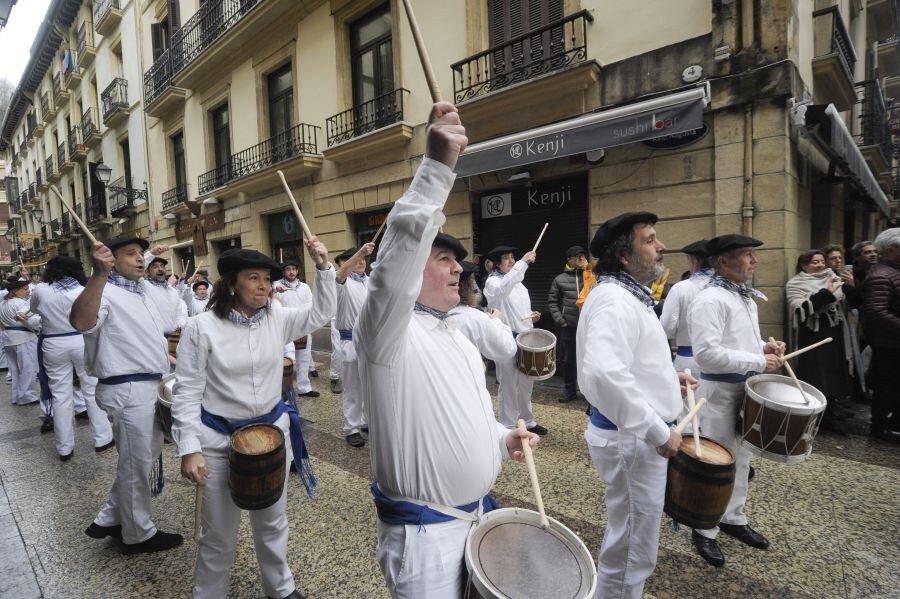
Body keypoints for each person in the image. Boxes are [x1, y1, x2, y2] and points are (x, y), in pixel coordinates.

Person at [357, 101, 538, 598]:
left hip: (481, 518)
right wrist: (436, 169)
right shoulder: (386, 334)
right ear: (415, 269)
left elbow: (467, 415)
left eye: (460, 263)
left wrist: (503, 440)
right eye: (443, 259)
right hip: (425, 537)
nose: (459, 269)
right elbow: (389, 273)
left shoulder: (457, 334)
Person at [174, 244, 336, 599]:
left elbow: (323, 310)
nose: (264, 286)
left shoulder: (278, 318)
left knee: (273, 523)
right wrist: (189, 448)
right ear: (232, 284)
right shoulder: (202, 327)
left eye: (267, 279)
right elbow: (186, 391)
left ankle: (280, 588)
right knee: (217, 533)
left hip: (270, 438)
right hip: (217, 442)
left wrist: (323, 267)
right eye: (254, 278)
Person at [578, 211, 693, 599]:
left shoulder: (627, 294)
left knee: (633, 538)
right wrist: (658, 430)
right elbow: (603, 374)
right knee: (632, 547)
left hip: (633, 435)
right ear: (624, 256)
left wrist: (666, 379)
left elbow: (629, 362)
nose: (660, 246)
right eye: (649, 240)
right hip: (631, 439)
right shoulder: (613, 298)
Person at [70, 235, 183, 555]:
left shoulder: (142, 290)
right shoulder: (102, 290)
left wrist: (167, 359)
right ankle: (138, 534)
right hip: (127, 389)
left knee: (139, 460)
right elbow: (80, 321)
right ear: (111, 260)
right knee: (136, 465)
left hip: (149, 385)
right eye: (130, 254)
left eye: (141, 254)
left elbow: (156, 329)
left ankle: (109, 518)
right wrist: (98, 274)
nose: (139, 259)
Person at [688, 234, 785, 567]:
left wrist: (764, 348)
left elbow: (744, 341)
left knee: (743, 459)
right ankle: (704, 529)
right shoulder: (709, 299)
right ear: (723, 262)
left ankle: (733, 518)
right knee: (716, 464)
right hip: (716, 394)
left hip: (745, 391)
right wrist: (758, 361)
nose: (754, 261)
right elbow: (707, 354)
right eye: (746, 255)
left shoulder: (745, 299)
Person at [30, 256, 114, 461]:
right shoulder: (83, 290)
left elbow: (33, 310)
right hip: (82, 339)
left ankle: (64, 447)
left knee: (60, 395)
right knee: (91, 388)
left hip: (53, 343)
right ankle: (102, 438)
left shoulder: (41, 290)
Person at [786, 250, 854, 431]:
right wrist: (826, 292)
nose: (820, 265)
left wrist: (850, 286)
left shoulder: (834, 277)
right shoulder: (795, 283)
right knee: (814, 376)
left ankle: (829, 416)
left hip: (834, 332)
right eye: (815, 262)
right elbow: (800, 311)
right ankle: (813, 418)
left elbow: (849, 302)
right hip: (812, 335)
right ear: (804, 265)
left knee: (834, 375)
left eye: (822, 261)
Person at [483, 245, 547, 435]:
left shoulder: (519, 284)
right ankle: (508, 424)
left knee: (527, 382)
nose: (511, 261)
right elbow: (503, 289)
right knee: (509, 383)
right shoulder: (493, 282)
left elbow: (520, 311)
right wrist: (523, 262)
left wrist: (531, 316)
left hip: (525, 338)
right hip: (505, 338)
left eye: (513, 257)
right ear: (496, 263)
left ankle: (527, 420)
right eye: (506, 258)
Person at [860, 228, 900, 444]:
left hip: (893, 342)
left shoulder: (891, 271)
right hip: (889, 344)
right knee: (887, 385)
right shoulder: (882, 274)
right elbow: (876, 311)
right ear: (892, 249)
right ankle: (880, 427)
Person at [335, 243, 374, 447]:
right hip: (350, 341)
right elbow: (340, 274)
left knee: (370, 385)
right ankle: (351, 427)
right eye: (356, 259)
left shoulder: (370, 282)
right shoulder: (342, 282)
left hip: (371, 342)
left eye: (363, 259)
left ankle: (366, 421)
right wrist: (360, 252)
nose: (361, 262)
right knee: (353, 389)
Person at [449, 261, 517, 365]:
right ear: (469, 286)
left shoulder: (424, 317)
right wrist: (497, 320)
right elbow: (508, 349)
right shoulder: (476, 318)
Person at [660, 240, 711, 376]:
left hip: (689, 363)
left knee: (688, 396)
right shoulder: (728, 288)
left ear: (695, 261)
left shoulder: (681, 288)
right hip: (723, 363)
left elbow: (667, 329)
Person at [274, 259, 319, 398]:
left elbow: (311, 306)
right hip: (284, 329)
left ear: (297, 271)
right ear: (284, 272)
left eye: (293, 269)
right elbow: (272, 295)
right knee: (282, 359)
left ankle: (304, 388)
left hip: (302, 327)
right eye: (288, 269)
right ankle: (279, 389)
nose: (291, 272)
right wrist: (276, 288)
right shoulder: (277, 286)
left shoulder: (304, 287)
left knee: (304, 359)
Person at [548, 245, 586, 403]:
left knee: (588, 359)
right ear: (569, 259)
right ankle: (569, 390)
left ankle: (589, 392)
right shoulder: (560, 279)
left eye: (582, 256)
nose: (581, 258)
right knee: (570, 360)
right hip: (568, 326)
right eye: (577, 256)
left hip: (588, 326)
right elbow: (552, 301)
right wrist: (560, 321)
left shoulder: (589, 276)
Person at [1, 277, 41, 408]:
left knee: (15, 369)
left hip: (8, 338)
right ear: (16, 291)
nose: (28, 291)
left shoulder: (3, 303)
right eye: (25, 289)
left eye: (28, 288)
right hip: (23, 337)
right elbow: (31, 321)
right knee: (28, 367)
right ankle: (26, 395)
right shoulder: (21, 303)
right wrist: (42, 319)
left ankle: (16, 395)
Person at [142, 250, 189, 338]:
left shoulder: (172, 291)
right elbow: (139, 267)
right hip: (154, 337)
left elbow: (179, 313)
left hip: (174, 337)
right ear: (147, 271)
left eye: (162, 266)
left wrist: (180, 326)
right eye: (155, 266)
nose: (160, 269)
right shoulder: (144, 286)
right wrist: (151, 254)